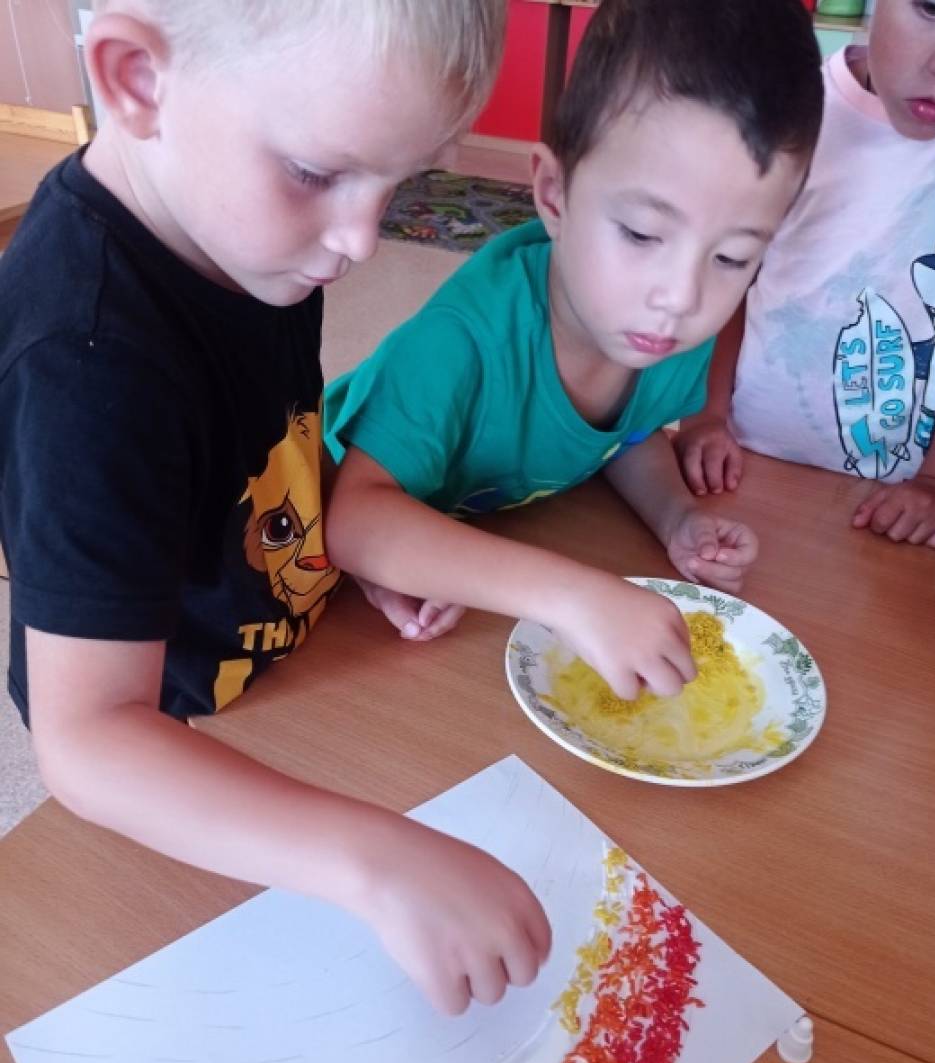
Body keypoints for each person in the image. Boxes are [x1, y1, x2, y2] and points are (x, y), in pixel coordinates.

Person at [0, 0, 557, 1017]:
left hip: (281, 660)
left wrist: (333, 547)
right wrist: (375, 860)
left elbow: (264, 447)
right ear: (136, 80)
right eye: (315, 172)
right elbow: (87, 740)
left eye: (399, 182)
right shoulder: (87, 361)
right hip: (169, 738)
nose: (361, 240)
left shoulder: (251, 237)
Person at [324, 0, 822, 663]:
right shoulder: (461, 343)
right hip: (310, 543)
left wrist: (677, 517)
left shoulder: (661, 333)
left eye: (731, 257)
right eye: (642, 234)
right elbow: (355, 520)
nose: (681, 297)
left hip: (451, 562)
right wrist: (574, 596)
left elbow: (625, 437)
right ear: (554, 194)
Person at [675, 0, 935, 550]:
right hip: (742, 461)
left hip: (902, 506)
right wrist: (705, 416)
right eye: (930, 8)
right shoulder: (791, 115)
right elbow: (731, 277)